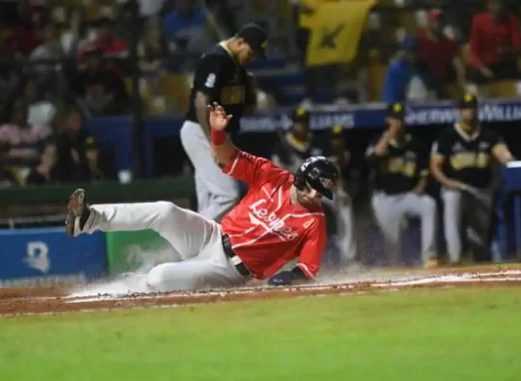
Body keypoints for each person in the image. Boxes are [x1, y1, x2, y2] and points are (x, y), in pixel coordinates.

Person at [65, 103, 338, 291]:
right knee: (165, 211)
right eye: (312, 186)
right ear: (302, 177)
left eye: (321, 192)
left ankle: (122, 291)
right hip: (213, 235)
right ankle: (88, 219)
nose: (315, 195)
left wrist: (289, 279)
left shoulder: (314, 222)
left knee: (160, 277)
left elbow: (308, 270)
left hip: (230, 271)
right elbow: (225, 158)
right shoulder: (272, 175)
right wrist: (218, 132)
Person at [181, 23, 265, 221]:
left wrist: (250, 90)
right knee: (228, 194)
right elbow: (202, 102)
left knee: (209, 198)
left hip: (218, 135)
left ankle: (198, 250)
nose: (251, 58)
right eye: (251, 52)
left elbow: (249, 109)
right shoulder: (217, 59)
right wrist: (214, 140)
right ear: (240, 42)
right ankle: (194, 237)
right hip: (202, 132)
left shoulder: (238, 67)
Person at [430, 94, 514, 264]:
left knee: (480, 238)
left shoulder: (489, 135)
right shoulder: (448, 136)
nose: (470, 112)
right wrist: (447, 182)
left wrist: (508, 158)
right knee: (452, 198)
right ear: (460, 111)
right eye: (466, 108)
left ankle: (478, 260)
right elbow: (435, 165)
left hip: (482, 190)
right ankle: (454, 256)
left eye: (473, 108)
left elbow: (504, 154)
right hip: (458, 187)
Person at [271, 108, 358, 267]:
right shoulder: (282, 148)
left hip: (318, 188)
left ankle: (349, 259)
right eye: (298, 123)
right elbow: (277, 176)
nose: (302, 126)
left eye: (304, 122)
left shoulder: (318, 142)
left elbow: (332, 167)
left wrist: (337, 188)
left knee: (344, 202)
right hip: (294, 191)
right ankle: (287, 262)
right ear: (292, 124)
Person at [367, 102, 438, 268]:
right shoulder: (377, 140)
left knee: (429, 204)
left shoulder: (414, 143)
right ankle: (395, 269)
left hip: (408, 195)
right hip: (385, 198)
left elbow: (423, 172)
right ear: (387, 120)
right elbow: (373, 160)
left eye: (400, 118)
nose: (397, 122)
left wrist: (421, 186)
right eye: (394, 119)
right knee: (393, 248)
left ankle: (430, 257)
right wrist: (388, 135)